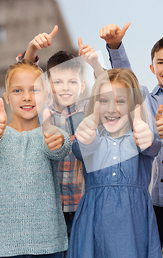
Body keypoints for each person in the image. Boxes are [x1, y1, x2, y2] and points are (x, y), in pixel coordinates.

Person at [100, 23, 163, 248]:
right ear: (152, 68)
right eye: (160, 62)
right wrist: (115, 46)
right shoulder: (142, 97)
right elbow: (126, 77)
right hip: (149, 199)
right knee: (145, 249)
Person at [0, 59, 71, 257]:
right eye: (17, 91)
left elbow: (61, 147)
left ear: (46, 97)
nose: (27, 97)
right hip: (3, 248)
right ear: (6, 97)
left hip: (48, 247)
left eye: (34, 90)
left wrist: (59, 140)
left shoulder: (50, 133)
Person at [67, 68, 162, 258]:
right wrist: (86, 137)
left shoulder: (140, 138)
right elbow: (80, 148)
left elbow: (153, 146)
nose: (112, 109)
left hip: (133, 230)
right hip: (93, 230)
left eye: (121, 101)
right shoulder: (91, 138)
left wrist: (147, 136)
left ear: (133, 105)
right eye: (104, 100)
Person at [20, 26, 103, 241]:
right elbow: (24, 78)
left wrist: (94, 63)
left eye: (72, 82)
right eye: (58, 82)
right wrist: (31, 49)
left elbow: (109, 90)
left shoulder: (87, 111)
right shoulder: (41, 111)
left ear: (82, 85)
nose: (65, 88)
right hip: (48, 207)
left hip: (81, 205)